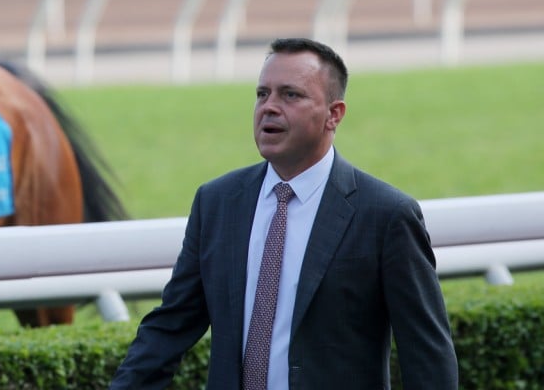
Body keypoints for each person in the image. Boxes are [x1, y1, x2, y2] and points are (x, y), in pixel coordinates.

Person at [109, 38, 458, 390]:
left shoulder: (386, 215)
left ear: (333, 114)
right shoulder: (217, 203)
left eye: (290, 95)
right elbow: (170, 327)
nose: (269, 108)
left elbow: (428, 358)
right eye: (263, 94)